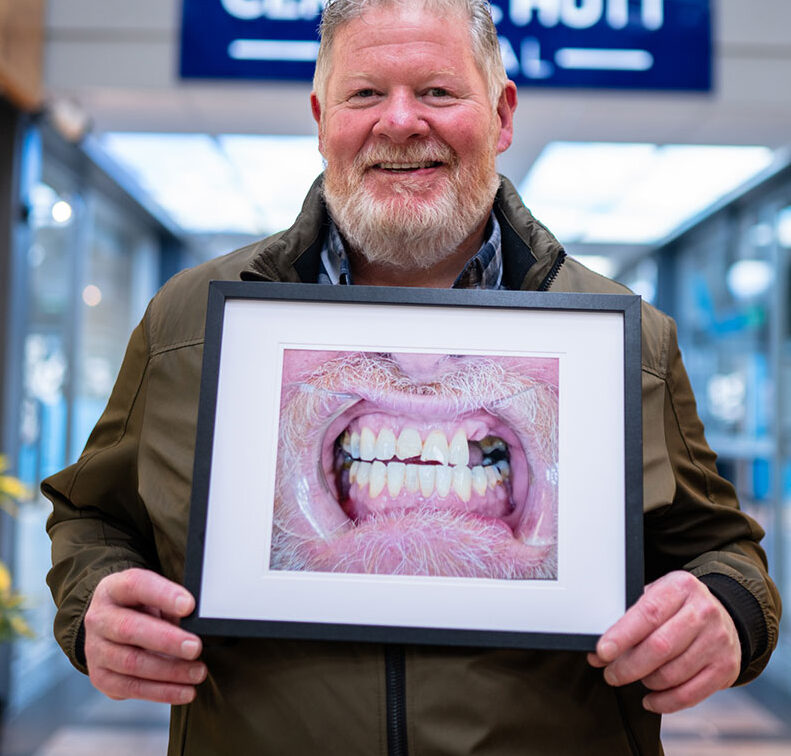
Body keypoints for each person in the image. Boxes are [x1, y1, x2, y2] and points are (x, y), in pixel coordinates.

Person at [44, 0, 780, 753]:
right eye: (364, 94)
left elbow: (721, 549)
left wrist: (727, 611)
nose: (399, 122)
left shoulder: (633, 340)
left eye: (436, 92)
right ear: (321, 117)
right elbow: (93, 516)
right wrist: (91, 601)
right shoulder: (186, 324)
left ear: (500, 115)